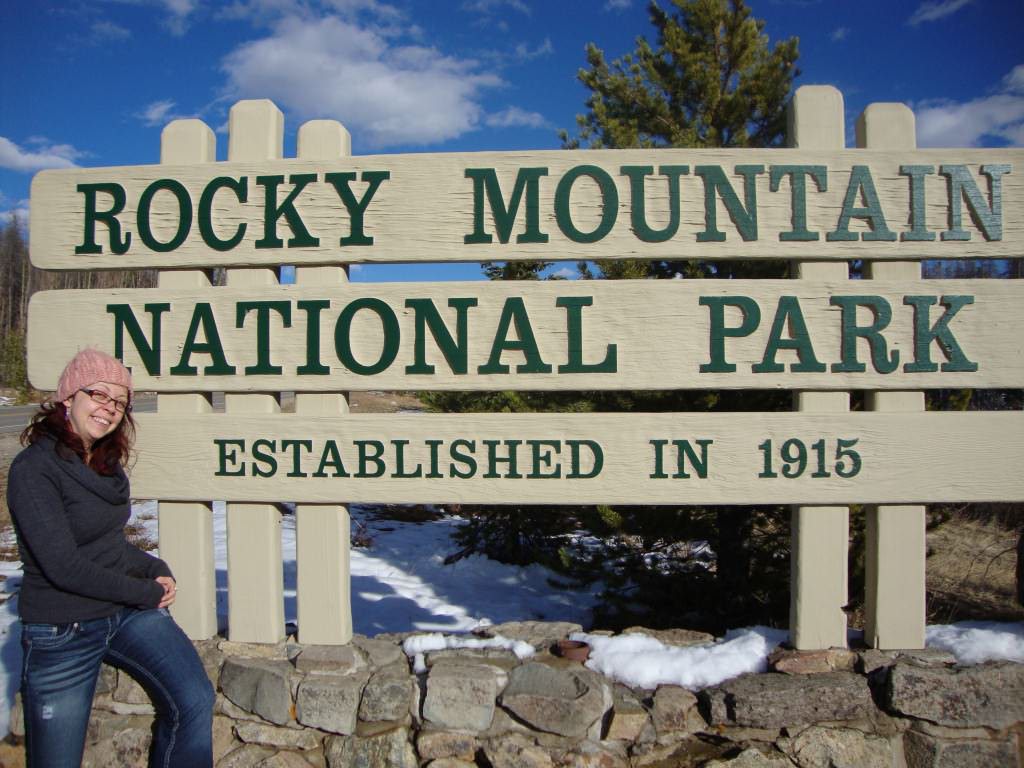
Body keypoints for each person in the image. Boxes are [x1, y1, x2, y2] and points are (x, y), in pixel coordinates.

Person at [7, 348, 214, 767]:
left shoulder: (102, 463)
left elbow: (105, 544)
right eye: (98, 395)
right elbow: (62, 564)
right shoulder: (34, 469)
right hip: (62, 628)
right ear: (68, 397)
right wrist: (143, 592)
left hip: (121, 615)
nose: (109, 409)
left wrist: (151, 567)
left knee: (194, 699)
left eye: (119, 402)